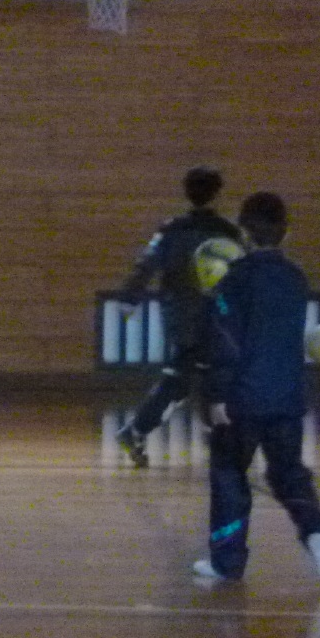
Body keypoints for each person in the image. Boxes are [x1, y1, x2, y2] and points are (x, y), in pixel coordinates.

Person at [193, 192, 320, 581]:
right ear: (286, 232)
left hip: (242, 399)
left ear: (243, 233)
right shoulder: (296, 278)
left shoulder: (235, 280)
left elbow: (224, 342)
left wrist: (217, 396)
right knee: (289, 474)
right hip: (287, 397)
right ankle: (317, 536)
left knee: (229, 473)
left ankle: (227, 561)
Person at [115, 166, 244, 467]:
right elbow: (243, 272)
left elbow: (146, 264)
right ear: (217, 194)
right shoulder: (228, 233)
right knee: (207, 375)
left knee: (190, 375)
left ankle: (139, 431)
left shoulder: (171, 231)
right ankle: (140, 431)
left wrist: (130, 297)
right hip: (217, 315)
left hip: (180, 315)